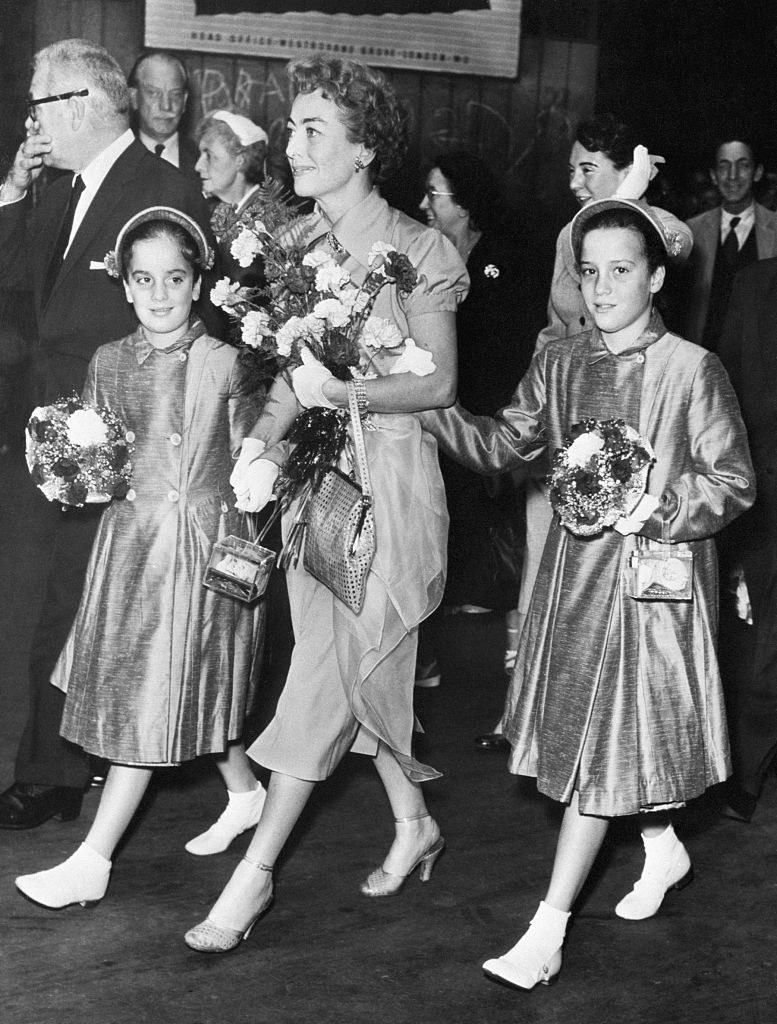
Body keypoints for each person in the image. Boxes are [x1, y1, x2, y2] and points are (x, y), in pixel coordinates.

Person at [420, 196, 753, 990]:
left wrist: (661, 506)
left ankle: (546, 931)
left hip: (652, 596)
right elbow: (504, 442)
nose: (601, 288)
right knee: (604, 745)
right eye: (589, 271)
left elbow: (733, 482)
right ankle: (662, 844)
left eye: (620, 270)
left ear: (656, 276)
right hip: (575, 585)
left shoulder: (690, 369)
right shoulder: (561, 361)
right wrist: (424, 401)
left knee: (603, 752)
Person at [183, 54, 468, 954]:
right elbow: (284, 370)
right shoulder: (296, 244)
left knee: (322, 676)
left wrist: (331, 397)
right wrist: (261, 448)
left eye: (314, 132)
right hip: (312, 484)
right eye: (293, 127)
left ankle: (254, 875)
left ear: (364, 151)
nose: (295, 146)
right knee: (346, 656)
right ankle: (412, 818)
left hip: (387, 485)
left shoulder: (419, 249)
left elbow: (441, 387)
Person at [14, 209, 266, 908]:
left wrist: (261, 464)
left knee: (149, 697)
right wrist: (71, 469)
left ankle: (92, 860)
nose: (160, 295)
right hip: (128, 546)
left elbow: (255, 450)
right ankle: (244, 792)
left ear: (198, 282)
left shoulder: (223, 364)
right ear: (124, 285)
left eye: (175, 279)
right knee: (173, 685)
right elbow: (100, 462)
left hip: (197, 551)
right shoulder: (109, 361)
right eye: (144, 279)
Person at [0, 38, 213, 831]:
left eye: (39, 103)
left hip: (120, 435)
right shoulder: (59, 188)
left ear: (83, 105)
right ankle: (58, 764)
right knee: (48, 598)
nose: (30, 118)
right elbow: (17, 290)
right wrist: (14, 189)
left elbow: (191, 320)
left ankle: (54, 772)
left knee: (79, 605)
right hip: (52, 430)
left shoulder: (165, 189)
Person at [475, 115, 693, 752]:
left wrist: (626, 198)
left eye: (587, 169)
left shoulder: (651, 229)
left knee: (604, 580)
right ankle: (527, 709)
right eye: (573, 169)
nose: (574, 182)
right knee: (543, 570)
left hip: (622, 417)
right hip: (559, 403)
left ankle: (601, 719)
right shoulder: (577, 234)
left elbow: (674, 246)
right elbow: (559, 321)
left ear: (625, 169)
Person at [416, 150, 534, 686]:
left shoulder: (502, 261)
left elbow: (512, 354)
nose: (424, 204)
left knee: (495, 554)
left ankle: (509, 672)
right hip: (439, 424)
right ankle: (426, 657)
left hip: (485, 429)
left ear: (462, 203)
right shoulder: (427, 256)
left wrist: (500, 437)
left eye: (434, 195)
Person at [717, 256, 777, 822]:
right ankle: (748, 772)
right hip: (768, 490)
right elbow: (727, 389)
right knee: (764, 645)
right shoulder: (754, 284)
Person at [684, 135, 777, 350]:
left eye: (743, 165)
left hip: (761, 363)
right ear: (714, 176)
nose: (732, 176)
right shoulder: (691, 230)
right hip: (703, 357)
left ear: (757, 172)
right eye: (724, 166)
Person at [195, 109, 292, 285]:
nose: (198, 166)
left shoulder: (269, 221)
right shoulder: (210, 209)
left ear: (240, 160)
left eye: (209, 156)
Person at [128, 51, 199, 180]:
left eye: (175, 94)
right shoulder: (115, 158)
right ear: (134, 97)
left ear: (184, 101)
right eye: (154, 93)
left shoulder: (201, 162)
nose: (166, 106)